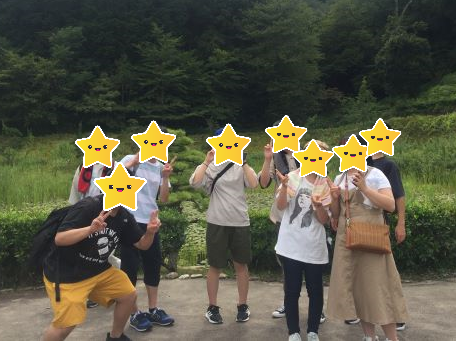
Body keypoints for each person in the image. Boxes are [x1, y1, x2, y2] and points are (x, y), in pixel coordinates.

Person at [41, 195, 161, 341]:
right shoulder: (89, 206)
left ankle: (115, 337)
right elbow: (60, 238)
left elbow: (142, 245)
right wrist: (90, 229)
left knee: (128, 295)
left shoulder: (124, 217)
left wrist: (150, 233)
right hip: (68, 274)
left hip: (98, 270)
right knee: (66, 324)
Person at [327, 155, 409, 341]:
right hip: (347, 240)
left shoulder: (375, 174)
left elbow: (390, 205)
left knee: (380, 288)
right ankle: (369, 336)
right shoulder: (340, 178)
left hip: (372, 239)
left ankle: (392, 338)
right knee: (358, 290)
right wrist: (334, 197)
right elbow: (337, 214)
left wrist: (364, 188)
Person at [189, 128, 259, 325]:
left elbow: (254, 183)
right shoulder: (211, 166)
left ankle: (242, 305)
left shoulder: (240, 165)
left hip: (240, 221)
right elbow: (195, 183)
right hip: (217, 221)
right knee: (215, 266)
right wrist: (206, 161)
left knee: (241, 265)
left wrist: (243, 161)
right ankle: (212, 307)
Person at [258, 136, 327, 324]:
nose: (284, 139)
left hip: (312, 223)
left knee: (313, 275)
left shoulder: (308, 159)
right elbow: (263, 183)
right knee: (289, 267)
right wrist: (268, 159)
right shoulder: (276, 157)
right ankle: (287, 303)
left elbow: (326, 215)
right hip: (285, 217)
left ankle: (317, 310)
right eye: (280, 135)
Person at [274, 140, 339, 341]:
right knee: (292, 291)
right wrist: (284, 187)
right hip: (290, 246)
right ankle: (293, 332)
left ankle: (313, 331)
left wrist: (319, 206)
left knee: (315, 291)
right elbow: (281, 206)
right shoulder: (293, 177)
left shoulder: (325, 184)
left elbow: (324, 220)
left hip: (314, 247)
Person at [120, 149, 175, 331]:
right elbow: (113, 180)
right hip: (129, 220)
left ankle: (153, 309)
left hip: (151, 222)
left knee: (153, 264)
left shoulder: (160, 167)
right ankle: (134, 312)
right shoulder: (130, 158)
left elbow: (164, 198)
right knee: (130, 267)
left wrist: (165, 177)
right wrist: (133, 162)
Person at [367, 124, 407, 332]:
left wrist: (401, 223)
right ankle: (365, 314)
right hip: (360, 225)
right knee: (366, 273)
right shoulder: (361, 161)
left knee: (386, 272)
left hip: (380, 222)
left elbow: (399, 196)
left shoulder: (389, 165)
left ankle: (396, 315)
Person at [68, 161, 121, 308]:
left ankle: (103, 291)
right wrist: (74, 217)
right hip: (85, 217)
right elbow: (75, 195)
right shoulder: (82, 167)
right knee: (86, 254)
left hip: (106, 218)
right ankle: (92, 291)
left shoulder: (116, 167)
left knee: (102, 254)